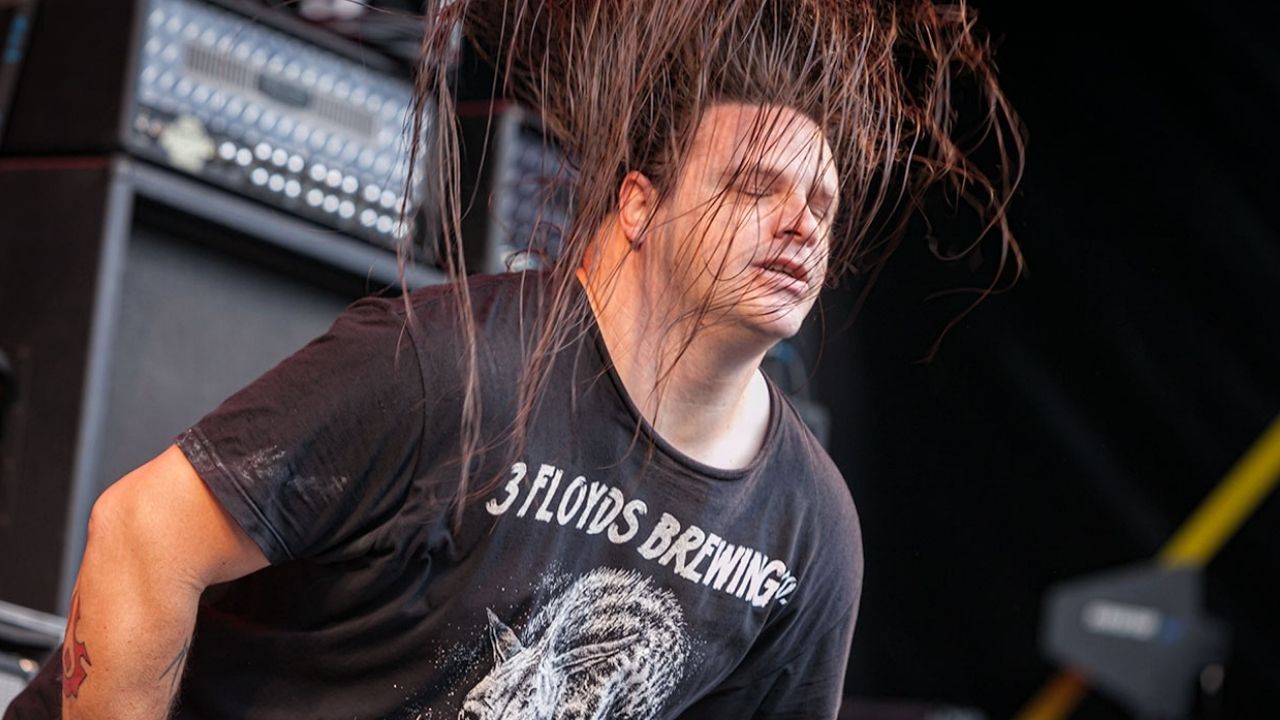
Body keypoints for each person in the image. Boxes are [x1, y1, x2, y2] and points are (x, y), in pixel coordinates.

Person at [6, 1, 1021, 718]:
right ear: (636, 205)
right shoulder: (447, 367)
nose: (800, 225)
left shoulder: (808, 530)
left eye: (822, 205)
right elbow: (143, 536)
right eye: (754, 186)